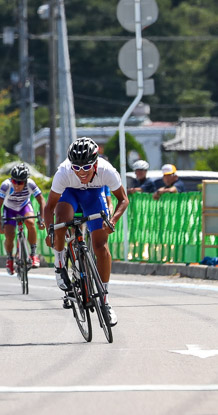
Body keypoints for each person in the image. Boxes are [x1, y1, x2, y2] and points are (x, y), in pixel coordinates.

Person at [43, 137, 128, 327]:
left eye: (86, 167)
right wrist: (50, 232)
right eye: (77, 167)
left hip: (94, 195)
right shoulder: (64, 172)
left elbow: (123, 200)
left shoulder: (107, 171)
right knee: (61, 223)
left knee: (101, 247)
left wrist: (113, 220)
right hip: (69, 193)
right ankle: (59, 263)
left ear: (95, 163)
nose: (81, 172)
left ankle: (105, 301)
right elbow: (49, 208)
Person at [0, 163, 46, 275]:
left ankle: (33, 254)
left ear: (26, 181)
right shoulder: (6, 185)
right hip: (10, 209)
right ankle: (9, 258)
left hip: (24, 207)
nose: (16, 185)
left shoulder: (30, 184)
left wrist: (41, 219)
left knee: (30, 222)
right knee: (9, 235)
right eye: (14, 181)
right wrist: (0, 224)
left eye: (20, 183)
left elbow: (41, 200)